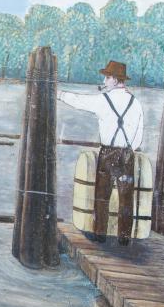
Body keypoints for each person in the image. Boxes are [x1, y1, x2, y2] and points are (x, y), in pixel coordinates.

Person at [58, 60, 144, 245]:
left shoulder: (104, 100)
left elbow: (80, 101)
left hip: (108, 153)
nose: (104, 81)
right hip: (128, 153)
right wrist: (130, 149)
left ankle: (99, 234)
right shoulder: (135, 102)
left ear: (114, 79)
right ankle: (124, 237)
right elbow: (139, 133)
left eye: (107, 77)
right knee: (126, 196)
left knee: (102, 195)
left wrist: (59, 94)